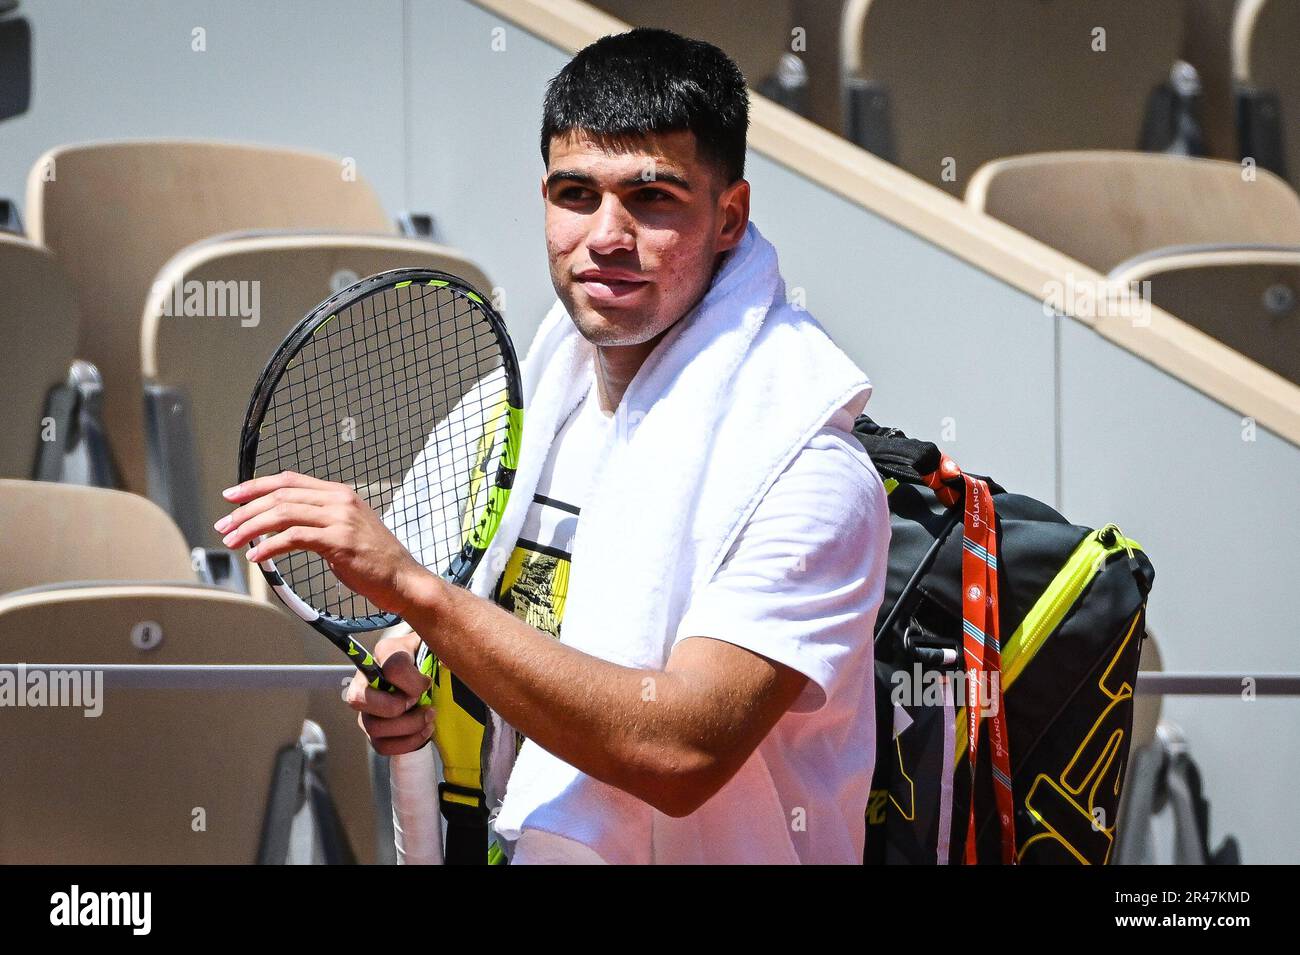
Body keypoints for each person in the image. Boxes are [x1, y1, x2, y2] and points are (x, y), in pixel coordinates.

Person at [216, 27, 891, 864]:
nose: (607, 235)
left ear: (730, 217)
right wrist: (401, 669)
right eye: (576, 194)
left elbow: (680, 754)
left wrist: (415, 593)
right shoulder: (516, 407)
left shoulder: (814, 474)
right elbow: (423, 631)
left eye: (653, 198)